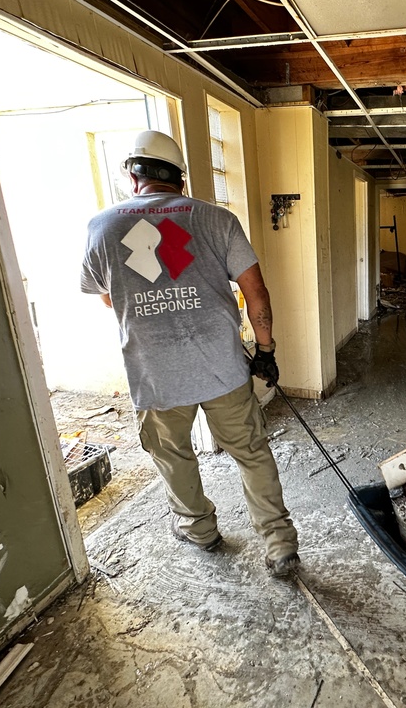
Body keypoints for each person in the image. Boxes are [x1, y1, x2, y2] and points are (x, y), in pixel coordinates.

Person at [80, 131, 299, 576]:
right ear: (180, 178)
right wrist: (266, 351)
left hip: (154, 373)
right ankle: (279, 546)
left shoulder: (102, 227)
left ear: (131, 174)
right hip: (223, 368)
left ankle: (199, 529)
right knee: (252, 453)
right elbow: (256, 293)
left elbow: (107, 298)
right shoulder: (216, 220)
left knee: (174, 456)